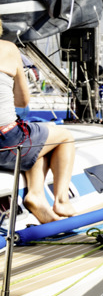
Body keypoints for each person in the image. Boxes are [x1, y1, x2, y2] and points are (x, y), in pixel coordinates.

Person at [0, 20, 77, 223]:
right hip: (6, 142)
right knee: (65, 138)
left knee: (37, 142)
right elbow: (23, 100)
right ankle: (61, 200)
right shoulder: (8, 48)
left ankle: (37, 197)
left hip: (13, 144)